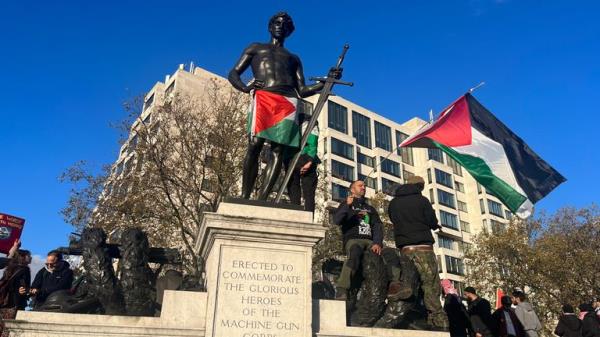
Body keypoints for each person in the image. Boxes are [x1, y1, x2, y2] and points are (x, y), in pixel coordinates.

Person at [228, 12, 342, 200]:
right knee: (255, 144)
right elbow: (234, 73)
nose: (280, 26)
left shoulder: (293, 58)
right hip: (264, 97)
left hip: (287, 102)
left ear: (289, 31)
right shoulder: (256, 48)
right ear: (270, 26)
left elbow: (303, 90)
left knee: (278, 150)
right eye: (277, 22)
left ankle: (262, 199)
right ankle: (244, 195)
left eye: (284, 24)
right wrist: (244, 87)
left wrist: (327, 80)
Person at [387, 175, 448, 329]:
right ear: (419, 186)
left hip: (405, 250)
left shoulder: (393, 203)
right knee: (430, 284)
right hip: (423, 249)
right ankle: (438, 320)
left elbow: (394, 220)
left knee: (410, 284)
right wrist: (435, 226)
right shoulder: (422, 200)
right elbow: (431, 220)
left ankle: (411, 317)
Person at [333, 180, 383, 300]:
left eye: (364, 186)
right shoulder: (346, 203)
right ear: (352, 189)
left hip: (370, 241)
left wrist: (377, 242)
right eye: (360, 186)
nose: (363, 188)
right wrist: (347, 205)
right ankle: (341, 289)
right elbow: (337, 220)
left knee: (386, 255)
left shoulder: (370, 208)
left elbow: (377, 226)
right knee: (355, 252)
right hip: (354, 239)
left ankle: (393, 287)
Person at [283, 113, 320, 212]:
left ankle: (297, 211)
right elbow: (313, 142)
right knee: (307, 191)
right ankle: (305, 213)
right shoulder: (308, 122)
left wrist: (309, 161)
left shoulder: (291, 121)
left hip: (293, 157)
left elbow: (312, 142)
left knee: (295, 187)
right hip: (301, 157)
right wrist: (310, 160)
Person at [0, 249, 31, 313]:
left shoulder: (10, 267)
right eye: (28, 256)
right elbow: (23, 285)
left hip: (5, 298)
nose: (31, 257)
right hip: (17, 300)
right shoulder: (25, 269)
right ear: (22, 257)